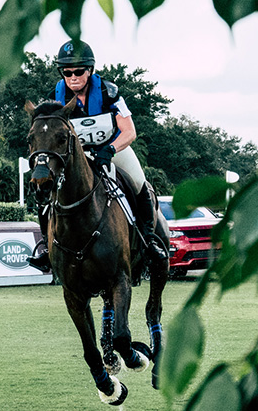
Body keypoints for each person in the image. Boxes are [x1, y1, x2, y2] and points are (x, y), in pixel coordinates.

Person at [28, 40, 169, 272]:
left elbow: (129, 131)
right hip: (76, 155)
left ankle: (149, 240)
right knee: (47, 190)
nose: (73, 77)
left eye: (78, 71)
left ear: (90, 70)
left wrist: (110, 150)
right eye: (67, 72)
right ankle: (46, 246)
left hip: (112, 148)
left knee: (138, 183)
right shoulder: (54, 97)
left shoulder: (108, 92)